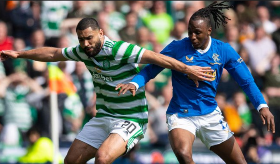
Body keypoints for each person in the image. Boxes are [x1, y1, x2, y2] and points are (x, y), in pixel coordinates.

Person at [0, 17, 214, 164]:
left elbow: (156, 57)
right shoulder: (83, 51)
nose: (85, 44)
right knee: (70, 160)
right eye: (81, 39)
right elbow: (53, 53)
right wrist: (20, 54)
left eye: (89, 38)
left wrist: (188, 69)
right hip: (104, 117)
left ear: (100, 33)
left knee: (103, 158)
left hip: (130, 118)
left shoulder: (120, 49)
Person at [116, 2, 275, 164]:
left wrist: (262, 106)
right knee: (184, 155)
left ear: (209, 31)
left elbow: (246, 81)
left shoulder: (223, 51)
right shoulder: (177, 48)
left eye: (197, 33)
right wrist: (135, 83)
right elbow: (152, 68)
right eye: (190, 32)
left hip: (210, 115)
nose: (192, 36)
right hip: (181, 114)